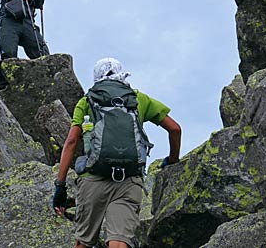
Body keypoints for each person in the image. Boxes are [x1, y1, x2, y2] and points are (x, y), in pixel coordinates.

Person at [53, 58, 182, 248]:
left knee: (84, 242)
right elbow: (175, 129)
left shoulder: (87, 101)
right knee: (120, 242)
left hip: (93, 179)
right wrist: (172, 160)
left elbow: (72, 141)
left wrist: (60, 186)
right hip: (128, 180)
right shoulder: (139, 99)